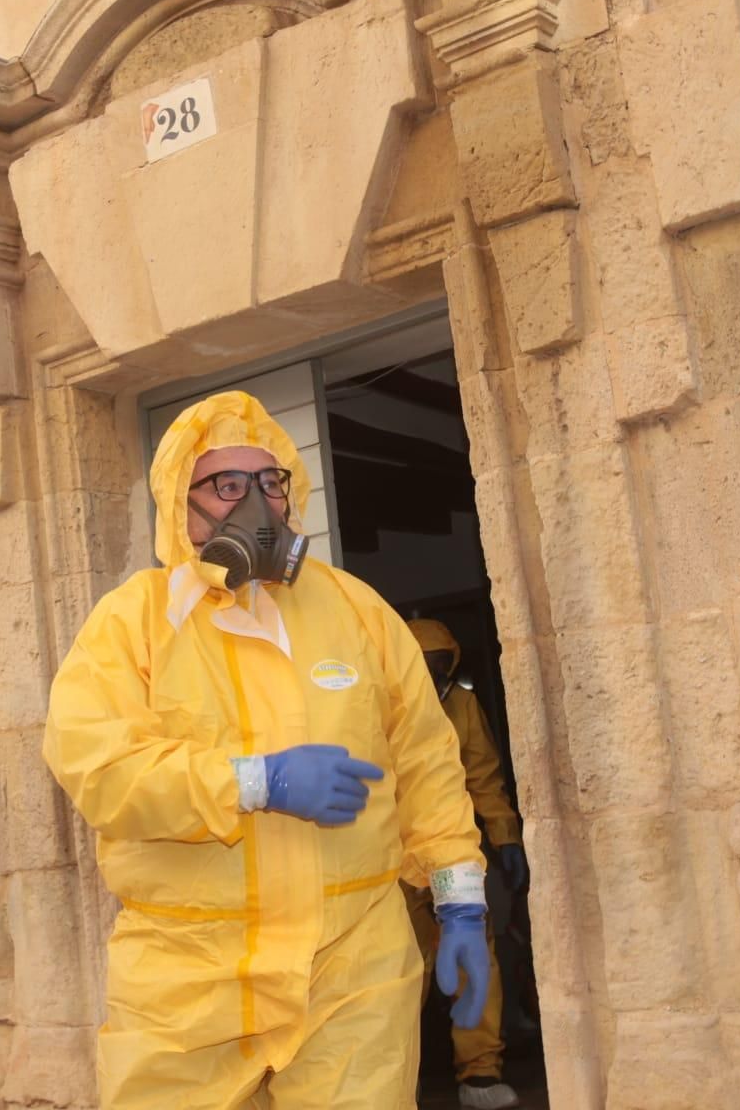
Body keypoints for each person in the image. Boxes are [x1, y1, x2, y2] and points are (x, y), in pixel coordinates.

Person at [42, 391, 491, 1109]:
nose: (257, 503)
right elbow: (100, 768)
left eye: (271, 482)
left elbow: (428, 766)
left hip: (353, 965)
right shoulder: (132, 623)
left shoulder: (356, 609)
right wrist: (256, 782)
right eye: (227, 485)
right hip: (189, 979)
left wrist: (460, 904)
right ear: (178, 503)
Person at [404, 619, 528, 1110]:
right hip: (389, 864)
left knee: (476, 959)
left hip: (451, 854)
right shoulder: (376, 702)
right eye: (423, 666)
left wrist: (506, 835)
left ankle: (480, 1074)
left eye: (440, 667)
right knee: (396, 967)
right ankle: (394, 1077)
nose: (433, 676)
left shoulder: (461, 704)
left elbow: (483, 775)